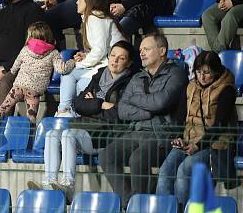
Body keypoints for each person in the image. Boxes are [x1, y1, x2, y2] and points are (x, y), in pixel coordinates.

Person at [28, 41, 137, 201]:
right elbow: (79, 104)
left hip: (107, 136)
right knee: (51, 134)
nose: (115, 60)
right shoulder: (100, 75)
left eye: (121, 58)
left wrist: (92, 104)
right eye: (113, 56)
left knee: (68, 135)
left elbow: (118, 114)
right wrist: (101, 104)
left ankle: (68, 187)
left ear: (128, 63)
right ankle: (49, 183)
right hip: (86, 128)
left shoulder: (130, 82)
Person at [98, 32, 188, 207]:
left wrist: (135, 99)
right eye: (140, 50)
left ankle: (142, 207)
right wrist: (147, 112)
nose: (142, 53)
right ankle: (130, 204)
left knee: (138, 159)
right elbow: (122, 109)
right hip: (137, 130)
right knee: (106, 155)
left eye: (146, 49)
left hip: (162, 134)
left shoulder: (176, 74)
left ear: (162, 51)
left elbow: (161, 102)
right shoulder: (137, 77)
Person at [156, 51, 237, 210]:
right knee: (165, 170)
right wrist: (178, 136)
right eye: (199, 72)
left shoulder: (226, 90)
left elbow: (219, 126)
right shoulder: (190, 86)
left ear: (216, 70)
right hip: (188, 139)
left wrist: (199, 145)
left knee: (184, 169)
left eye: (207, 72)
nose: (202, 77)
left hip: (214, 144)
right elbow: (180, 116)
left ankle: (183, 209)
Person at [55, 0, 125, 117]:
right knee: (69, 74)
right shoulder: (92, 18)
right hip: (103, 64)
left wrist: (79, 64)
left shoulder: (95, 18)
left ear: (89, 2)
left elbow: (100, 51)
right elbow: (99, 49)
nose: (77, 2)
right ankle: (65, 111)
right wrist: (86, 55)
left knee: (77, 79)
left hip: (110, 68)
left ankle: (69, 113)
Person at [0, 21, 59, 132]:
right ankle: (29, 142)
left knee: (2, 109)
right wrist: (72, 62)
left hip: (18, 88)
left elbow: (14, 68)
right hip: (34, 92)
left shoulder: (25, 50)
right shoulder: (54, 53)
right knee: (31, 118)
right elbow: (61, 69)